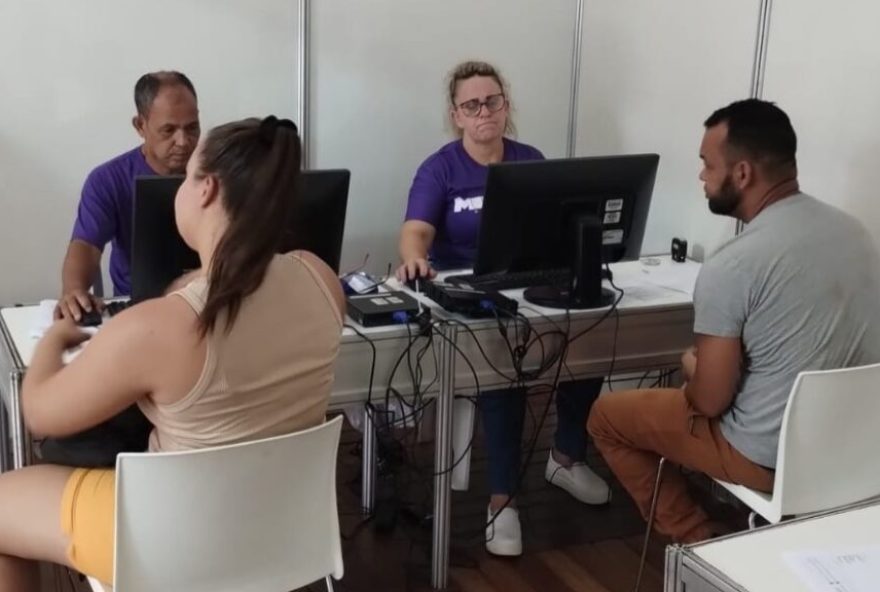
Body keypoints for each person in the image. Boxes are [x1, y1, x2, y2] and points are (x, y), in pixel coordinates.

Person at [0, 115, 344, 590]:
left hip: (174, 545)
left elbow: (40, 412)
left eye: (186, 179)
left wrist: (54, 343)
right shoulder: (320, 279)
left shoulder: (162, 327)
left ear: (205, 190)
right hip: (283, 529)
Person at [587, 98, 880, 543]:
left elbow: (708, 402)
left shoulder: (734, 265)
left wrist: (690, 364)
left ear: (742, 174)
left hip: (765, 456)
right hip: (852, 450)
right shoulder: (855, 233)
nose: (702, 177)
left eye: (707, 164)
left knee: (607, 417)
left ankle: (700, 544)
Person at [396, 61, 610, 557]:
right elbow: (415, 232)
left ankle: (566, 455)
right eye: (471, 105)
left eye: (492, 100)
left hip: (530, 284)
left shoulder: (530, 159)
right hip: (469, 291)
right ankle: (502, 498)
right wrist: (413, 260)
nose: (483, 112)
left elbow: (556, 226)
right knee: (503, 369)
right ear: (456, 116)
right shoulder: (440, 168)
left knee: (593, 340)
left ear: (505, 105)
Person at [57, 70, 201, 321]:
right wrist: (74, 291)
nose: (183, 141)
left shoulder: (219, 172)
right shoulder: (107, 180)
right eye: (169, 130)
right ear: (140, 125)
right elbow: (86, 247)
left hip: (205, 300)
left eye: (192, 128)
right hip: (137, 307)